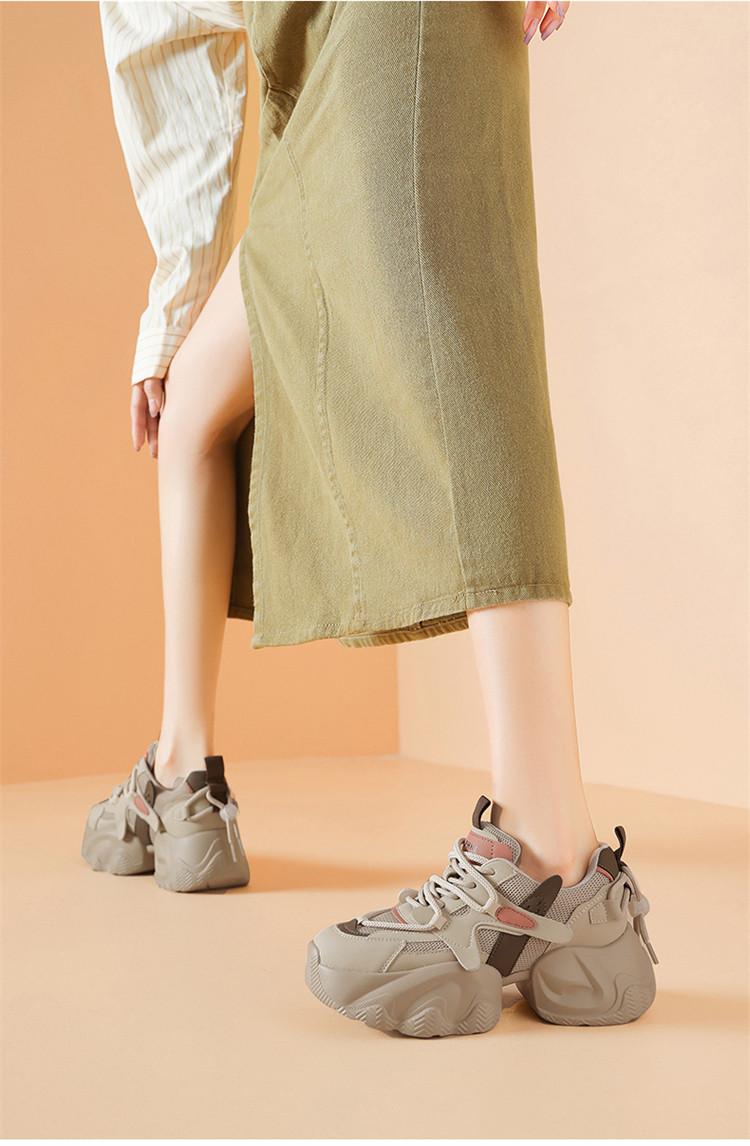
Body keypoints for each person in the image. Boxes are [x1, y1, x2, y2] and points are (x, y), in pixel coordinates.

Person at [84, 0, 657, 1036]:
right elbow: (166, 30)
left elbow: (156, 37)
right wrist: (175, 300)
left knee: (457, 342)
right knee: (194, 399)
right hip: (304, 60)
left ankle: (553, 859)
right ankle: (179, 771)